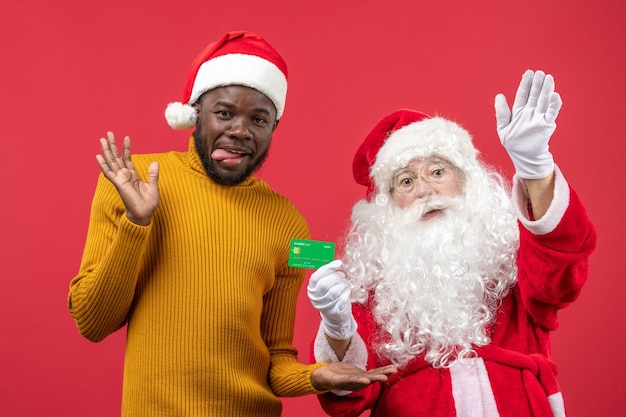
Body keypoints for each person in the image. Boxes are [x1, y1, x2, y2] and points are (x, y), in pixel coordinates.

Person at [67, 30, 394, 417]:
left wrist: (315, 377)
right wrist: (137, 223)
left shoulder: (285, 222)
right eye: (224, 113)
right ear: (195, 115)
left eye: (258, 118)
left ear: (273, 128)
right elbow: (92, 322)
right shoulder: (132, 180)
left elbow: (275, 358)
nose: (240, 131)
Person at [307, 70, 596, 416]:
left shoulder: (508, 256)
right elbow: (348, 396)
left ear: (466, 180)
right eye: (406, 181)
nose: (425, 190)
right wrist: (338, 328)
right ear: (387, 204)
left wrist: (536, 169)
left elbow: (562, 271)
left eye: (438, 171)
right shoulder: (374, 291)